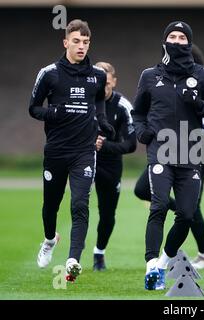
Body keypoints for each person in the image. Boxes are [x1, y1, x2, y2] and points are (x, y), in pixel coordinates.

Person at [132, 21, 204, 290]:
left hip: (192, 154)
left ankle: (162, 263)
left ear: (189, 43)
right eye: (171, 37)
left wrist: (197, 103)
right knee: (159, 206)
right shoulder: (149, 75)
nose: (176, 41)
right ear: (164, 41)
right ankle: (151, 265)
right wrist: (142, 132)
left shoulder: (203, 75)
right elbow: (138, 112)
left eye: (182, 37)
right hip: (160, 152)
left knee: (186, 214)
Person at [29, 19, 115, 282]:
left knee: (80, 204)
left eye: (86, 42)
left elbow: (99, 99)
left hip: (84, 151)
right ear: (65, 42)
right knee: (51, 205)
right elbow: (33, 108)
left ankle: (72, 260)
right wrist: (55, 111)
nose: (81, 46)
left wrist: (102, 123)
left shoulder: (97, 76)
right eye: (76, 41)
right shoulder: (49, 73)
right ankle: (48, 240)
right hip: (56, 151)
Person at [93, 62, 137, 271]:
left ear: (114, 82)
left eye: (107, 83)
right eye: (100, 83)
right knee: (78, 207)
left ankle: (99, 253)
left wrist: (105, 145)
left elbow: (131, 144)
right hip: (82, 159)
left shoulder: (123, 106)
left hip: (110, 165)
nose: (103, 88)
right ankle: (72, 255)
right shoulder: (81, 100)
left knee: (107, 213)